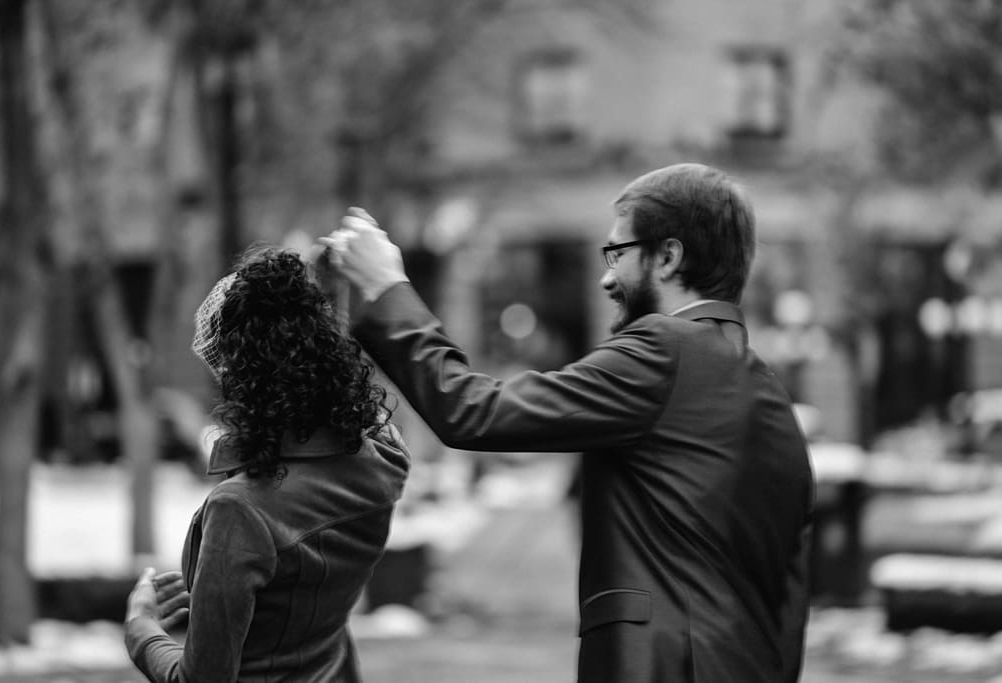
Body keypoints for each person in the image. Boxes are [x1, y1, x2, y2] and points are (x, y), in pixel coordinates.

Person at [321, 163, 814, 682]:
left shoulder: (664, 351)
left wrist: (387, 289)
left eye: (617, 253)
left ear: (668, 257)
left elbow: (472, 411)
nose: (605, 277)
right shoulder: (770, 395)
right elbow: (791, 595)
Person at [124, 246, 409, 682]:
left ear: (242, 379)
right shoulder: (383, 461)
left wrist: (141, 628)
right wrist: (322, 297)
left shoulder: (241, 510)